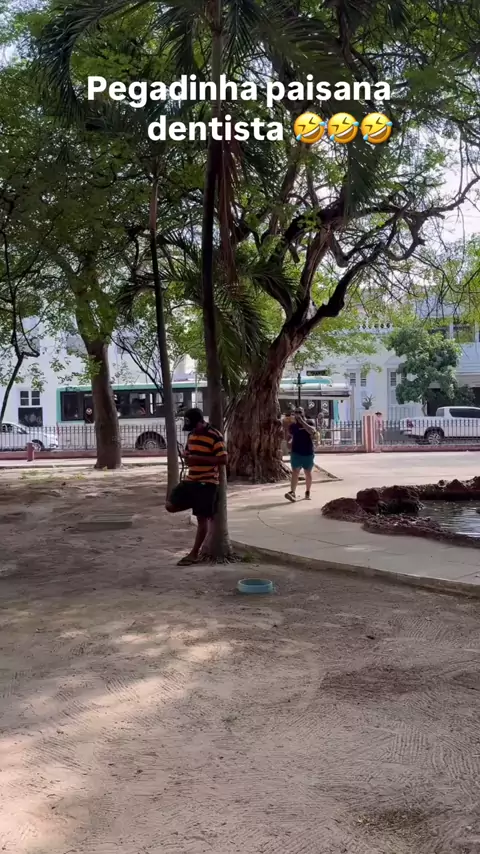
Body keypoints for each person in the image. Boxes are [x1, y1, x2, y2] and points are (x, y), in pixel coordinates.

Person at [166, 408, 227, 565]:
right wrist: (187, 457)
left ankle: (194, 554)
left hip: (207, 482)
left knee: (201, 519)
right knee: (170, 505)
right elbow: (189, 452)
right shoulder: (191, 435)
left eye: (195, 426)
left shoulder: (215, 435)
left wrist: (198, 459)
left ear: (201, 422)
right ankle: (200, 506)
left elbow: (223, 459)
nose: (193, 430)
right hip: (191, 480)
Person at [285, 406, 316, 502]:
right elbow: (290, 436)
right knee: (295, 472)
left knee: (307, 472)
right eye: (296, 412)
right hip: (296, 452)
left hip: (307, 452)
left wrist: (302, 422)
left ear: (303, 413)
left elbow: (312, 431)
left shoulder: (310, 422)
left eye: (300, 412)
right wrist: (288, 442)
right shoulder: (292, 426)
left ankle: (307, 492)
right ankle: (292, 492)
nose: (298, 414)